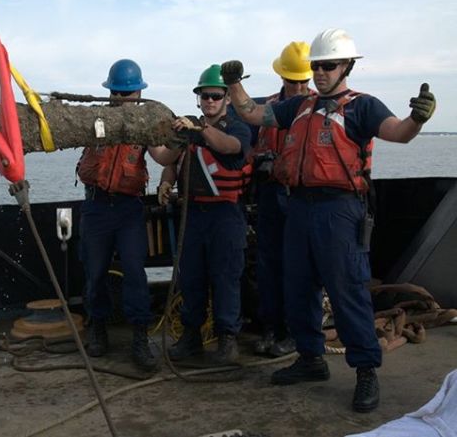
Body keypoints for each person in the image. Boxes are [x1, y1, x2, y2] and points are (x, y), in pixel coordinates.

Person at [221, 28, 436, 412]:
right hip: (298, 206)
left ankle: (366, 370)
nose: (320, 73)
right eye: (315, 66)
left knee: (347, 289)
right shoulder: (299, 107)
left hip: (339, 210)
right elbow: (253, 113)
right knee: (298, 287)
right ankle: (310, 359)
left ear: (346, 66)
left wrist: (417, 119)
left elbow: (398, 134)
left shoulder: (363, 107)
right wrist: (234, 84)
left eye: (328, 65)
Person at [77, 59, 181, 371]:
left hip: (128, 209)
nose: (123, 99)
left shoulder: (147, 124)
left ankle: (139, 335)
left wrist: (180, 142)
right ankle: (97, 327)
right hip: (96, 206)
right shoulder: (92, 120)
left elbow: (163, 156)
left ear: (139, 92)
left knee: (136, 271)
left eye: (129, 93)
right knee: (95, 272)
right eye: (118, 94)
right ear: (109, 93)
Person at [158, 64, 252, 365]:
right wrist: (165, 179)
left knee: (226, 278)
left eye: (215, 96)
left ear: (226, 98)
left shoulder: (236, 128)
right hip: (192, 215)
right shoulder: (187, 129)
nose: (210, 101)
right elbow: (167, 157)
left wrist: (199, 131)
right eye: (204, 96)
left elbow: (231, 147)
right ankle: (191, 338)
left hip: (225, 215)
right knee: (192, 279)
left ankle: (227, 339)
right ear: (198, 98)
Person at [251, 42, 314, 358]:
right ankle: (270, 327)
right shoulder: (265, 109)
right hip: (270, 195)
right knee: (268, 264)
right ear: (282, 77)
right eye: (294, 81)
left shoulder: (320, 109)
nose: (300, 87)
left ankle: (295, 332)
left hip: (303, 199)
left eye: (305, 81)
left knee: (301, 267)